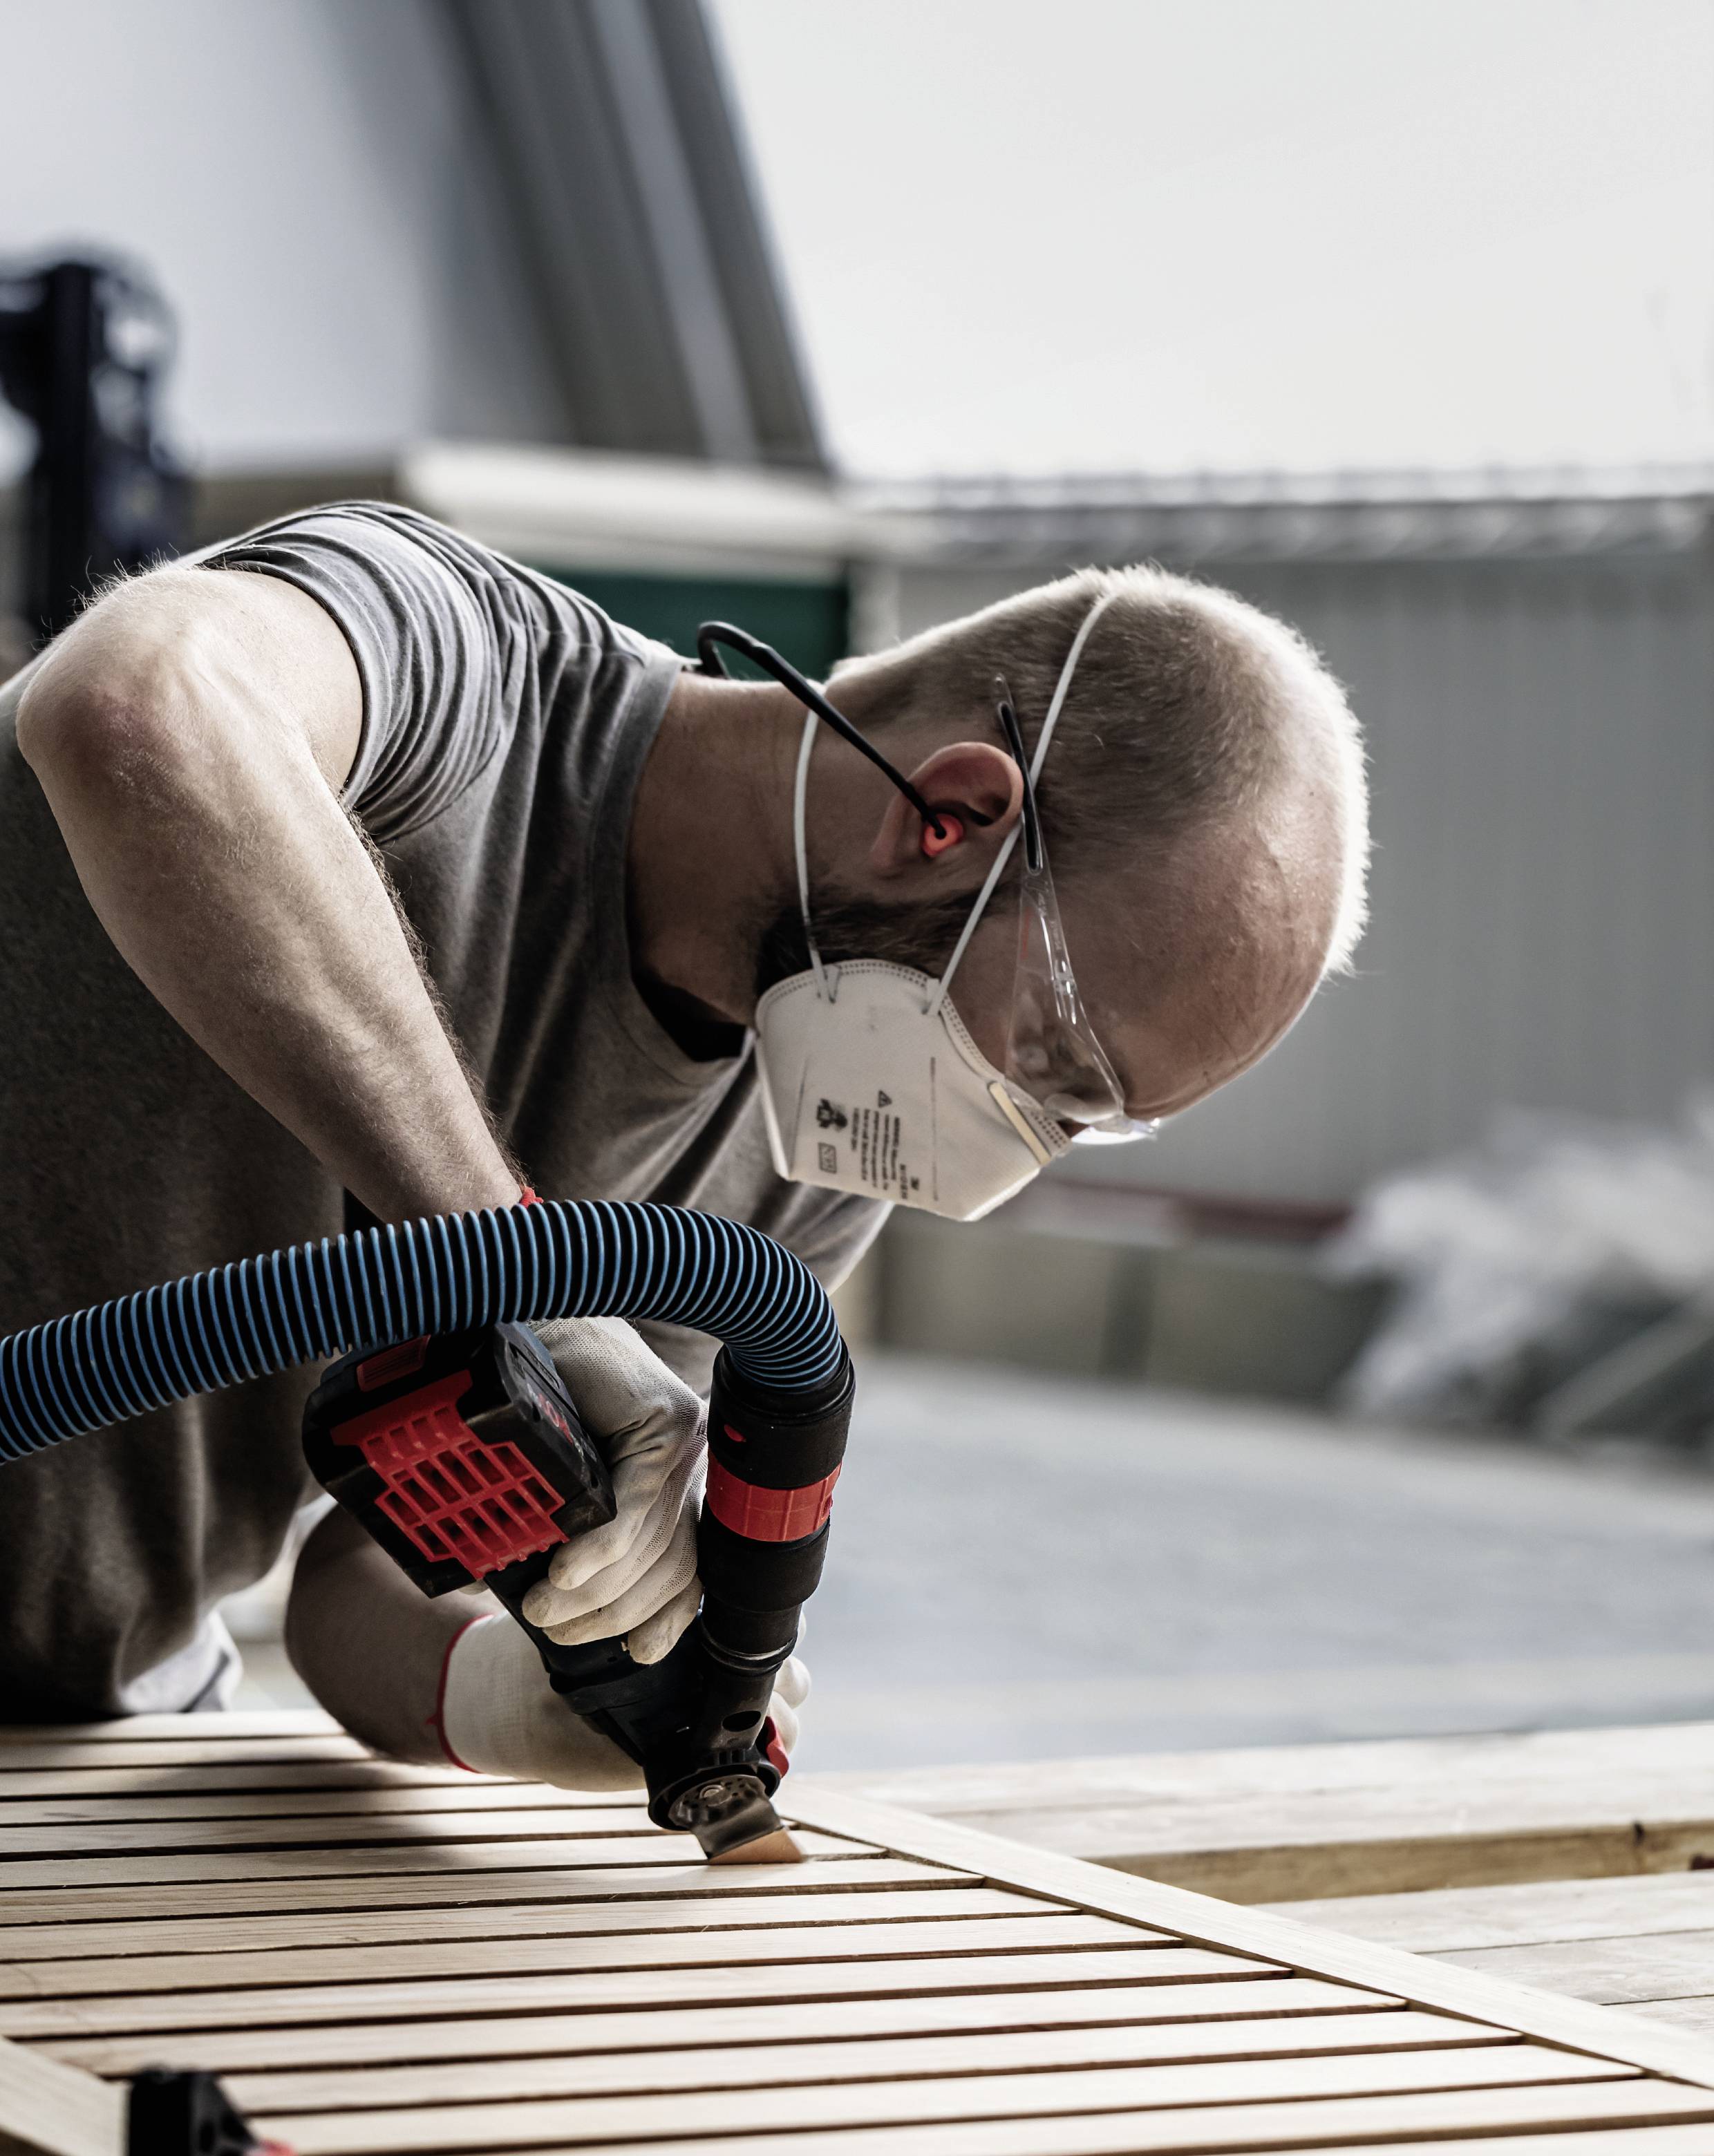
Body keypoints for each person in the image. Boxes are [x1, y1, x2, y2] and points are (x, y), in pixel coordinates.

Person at [2, 502, 1367, 1784]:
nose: (1031, 1138)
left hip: (83, 1731)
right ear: (943, 817)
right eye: (1057, 1057)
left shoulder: (802, 1146)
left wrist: (513, 1687)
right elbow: (133, 711)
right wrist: (523, 1262)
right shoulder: (450, 675)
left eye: (1092, 1118)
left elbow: (368, 1571)